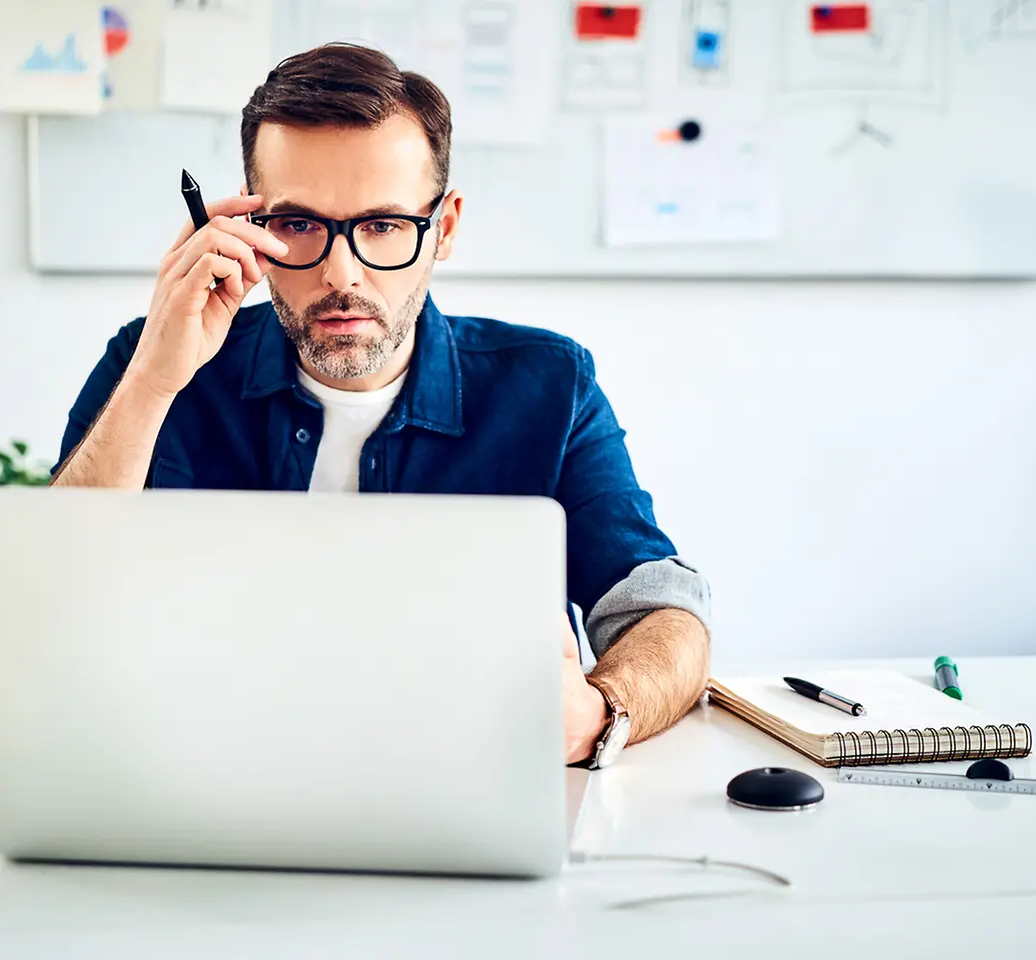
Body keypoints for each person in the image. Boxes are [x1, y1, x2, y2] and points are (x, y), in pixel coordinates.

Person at [52, 43, 711, 768]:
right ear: (247, 225)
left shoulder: (550, 386)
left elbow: (659, 614)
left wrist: (598, 711)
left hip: (451, 795)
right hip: (193, 778)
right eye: (298, 225)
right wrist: (153, 381)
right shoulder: (156, 363)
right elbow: (53, 602)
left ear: (446, 227)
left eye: (384, 226)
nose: (343, 273)